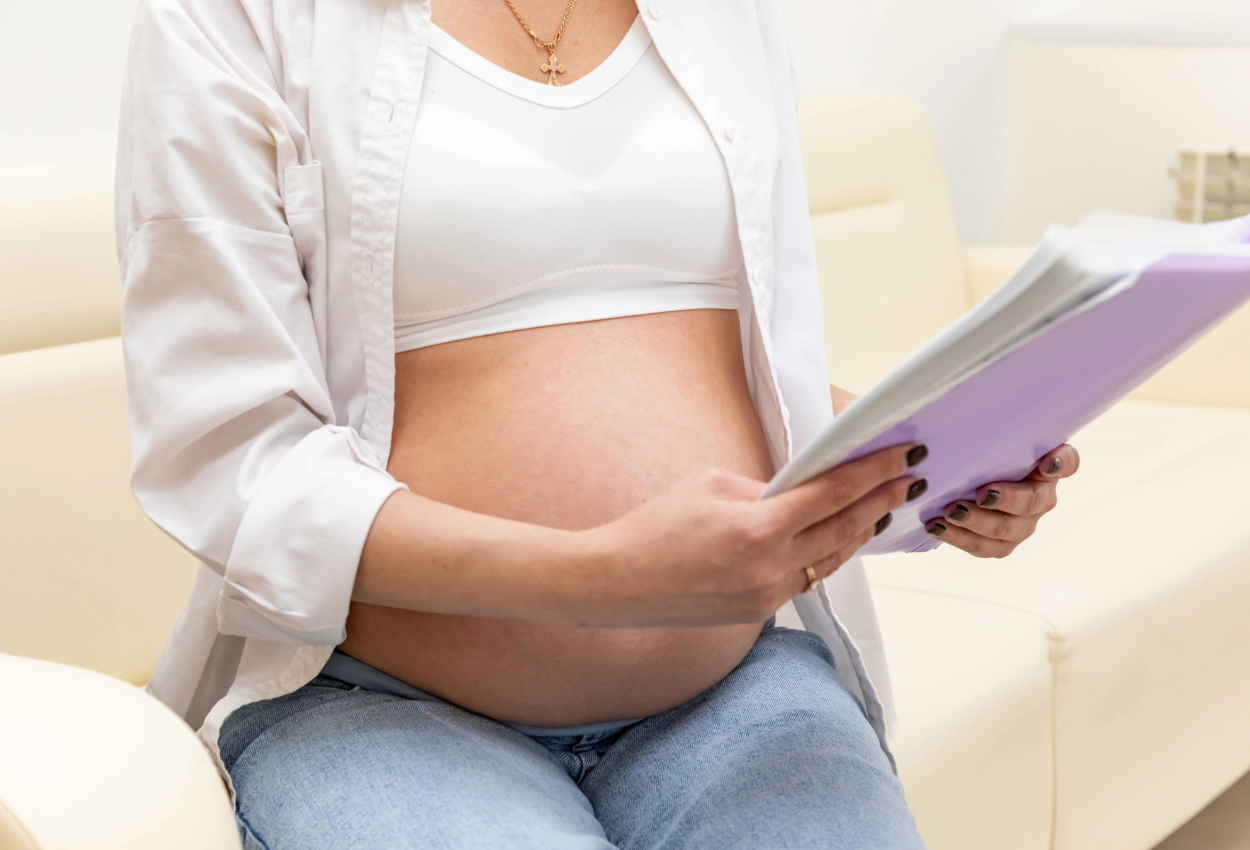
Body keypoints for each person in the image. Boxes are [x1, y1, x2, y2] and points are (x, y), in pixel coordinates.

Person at [115, 0, 1079, 847]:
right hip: (378, 708)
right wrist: (603, 578)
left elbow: (738, 360)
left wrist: (934, 462)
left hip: (731, 689)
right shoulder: (229, 16)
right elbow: (231, 455)